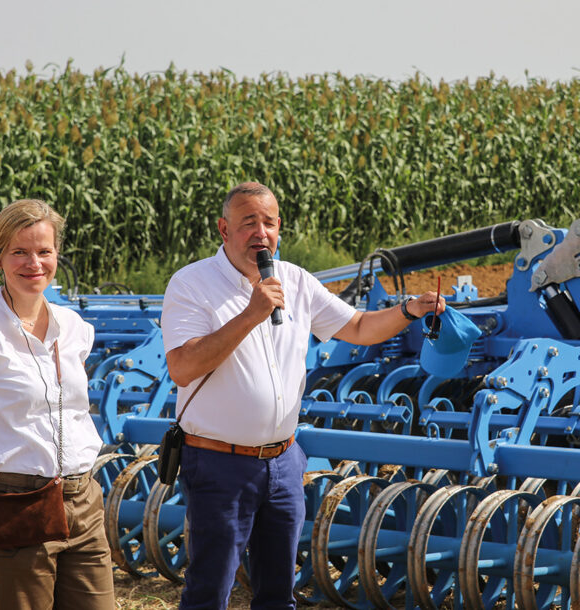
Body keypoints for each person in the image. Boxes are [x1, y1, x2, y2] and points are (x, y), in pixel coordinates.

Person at [161, 182, 445, 609]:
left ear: (279, 228)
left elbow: (360, 328)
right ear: (224, 229)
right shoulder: (191, 284)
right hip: (219, 463)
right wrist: (251, 314)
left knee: (279, 593)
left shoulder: (293, 279)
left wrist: (411, 309)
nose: (260, 232)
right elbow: (183, 367)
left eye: (269, 222)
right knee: (209, 591)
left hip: (283, 462)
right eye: (247, 223)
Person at [0, 199, 114, 610]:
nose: (34, 263)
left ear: (57, 255)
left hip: (83, 499)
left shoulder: (75, 329)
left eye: (44, 251)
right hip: (13, 508)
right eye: (20, 252)